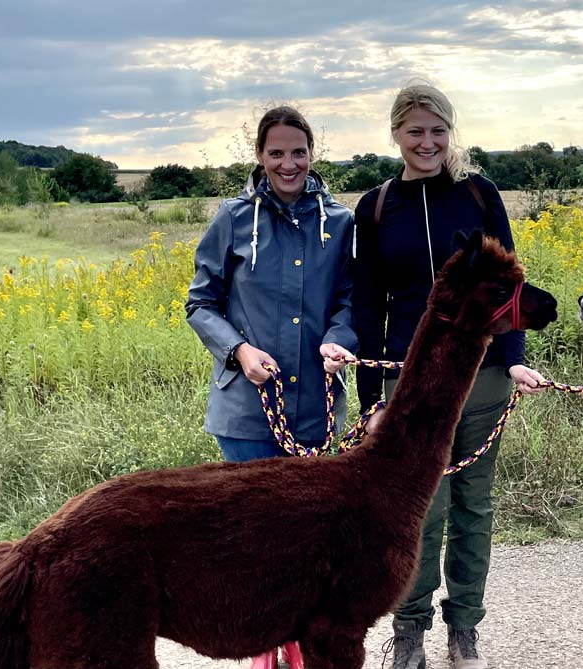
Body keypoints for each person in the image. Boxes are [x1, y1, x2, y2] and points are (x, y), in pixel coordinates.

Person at [352, 82, 547, 669]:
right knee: (416, 511)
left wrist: (512, 356)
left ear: (450, 133)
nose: (428, 142)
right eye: (415, 131)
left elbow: (508, 286)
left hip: (482, 378)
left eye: (438, 130)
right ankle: (408, 635)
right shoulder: (378, 206)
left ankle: (465, 633)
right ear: (396, 135)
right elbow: (367, 304)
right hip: (407, 387)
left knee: (473, 506)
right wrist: (371, 401)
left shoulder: (480, 195)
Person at [185, 105, 356, 669]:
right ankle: (264, 650)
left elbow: (349, 301)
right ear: (260, 156)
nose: (289, 163)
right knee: (255, 543)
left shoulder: (341, 223)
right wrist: (238, 348)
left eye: (299, 151)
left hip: (317, 409)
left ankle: (298, 648)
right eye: (276, 152)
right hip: (248, 412)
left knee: (305, 543)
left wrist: (337, 337)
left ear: (313, 153)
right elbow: (200, 303)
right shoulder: (232, 220)